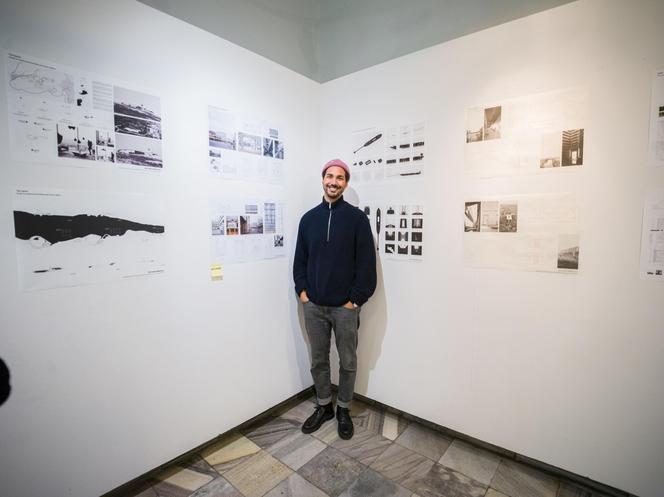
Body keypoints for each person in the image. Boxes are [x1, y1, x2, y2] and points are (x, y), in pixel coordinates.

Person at [293, 159, 377, 440]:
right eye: (330, 176)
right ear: (322, 179)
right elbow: (300, 261)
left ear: (346, 183)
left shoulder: (357, 220)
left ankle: (343, 409)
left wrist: (354, 300)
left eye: (340, 178)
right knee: (318, 360)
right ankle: (324, 405)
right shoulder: (308, 219)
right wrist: (303, 292)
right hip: (314, 306)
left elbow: (366, 265)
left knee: (348, 361)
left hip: (345, 308)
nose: (334, 182)